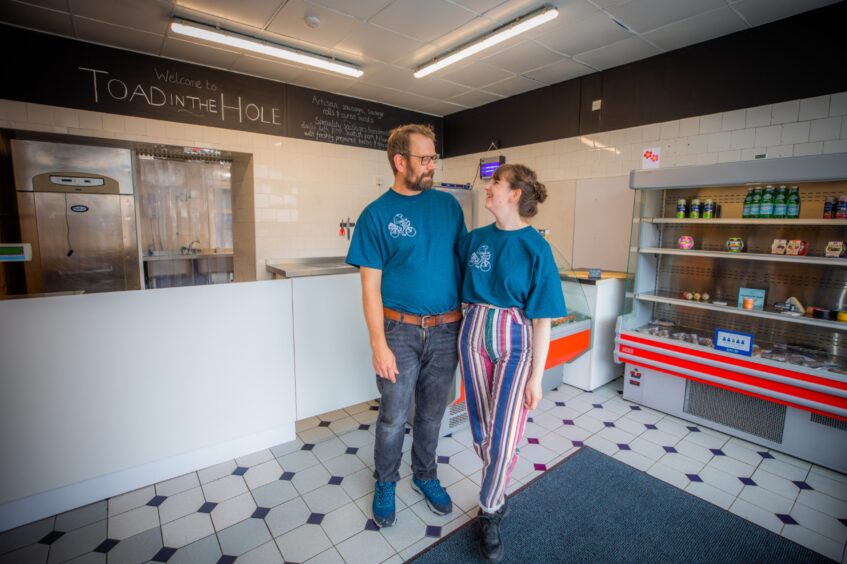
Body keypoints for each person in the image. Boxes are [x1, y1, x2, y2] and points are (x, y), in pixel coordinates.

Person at [346, 124, 467, 528]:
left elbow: (466, 265)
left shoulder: (449, 207)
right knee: (394, 416)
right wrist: (378, 344)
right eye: (425, 158)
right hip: (398, 332)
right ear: (400, 162)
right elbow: (370, 288)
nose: (432, 166)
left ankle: (425, 475)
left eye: (434, 157)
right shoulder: (375, 215)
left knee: (432, 414)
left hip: (447, 330)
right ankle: (385, 482)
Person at [457, 164, 566, 562]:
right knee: (482, 430)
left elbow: (543, 319)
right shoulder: (476, 239)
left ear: (515, 193)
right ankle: (496, 494)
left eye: (495, 183)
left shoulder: (536, 248)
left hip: (515, 340)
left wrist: (537, 377)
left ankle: (489, 511)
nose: (488, 187)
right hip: (472, 334)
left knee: (504, 438)